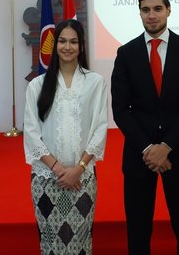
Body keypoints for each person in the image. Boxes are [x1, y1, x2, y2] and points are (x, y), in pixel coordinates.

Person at [111, 0, 179, 255]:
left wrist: (166, 146)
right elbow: (120, 109)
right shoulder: (125, 54)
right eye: (145, 10)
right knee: (138, 233)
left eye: (157, 9)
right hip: (140, 157)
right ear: (139, 13)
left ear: (169, 10)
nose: (152, 15)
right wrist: (149, 149)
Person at [23, 19, 107, 255]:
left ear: (81, 46)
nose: (67, 47)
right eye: (62, 41)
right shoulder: (37, 86)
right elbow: (31, 132)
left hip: (83, 179)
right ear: (54, 45)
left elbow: (100, 128)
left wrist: (78, 169)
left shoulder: (96, 83)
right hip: (46, 179)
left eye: (73, 41)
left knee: (80, 242)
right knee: (51, 244)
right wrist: (59, 169)